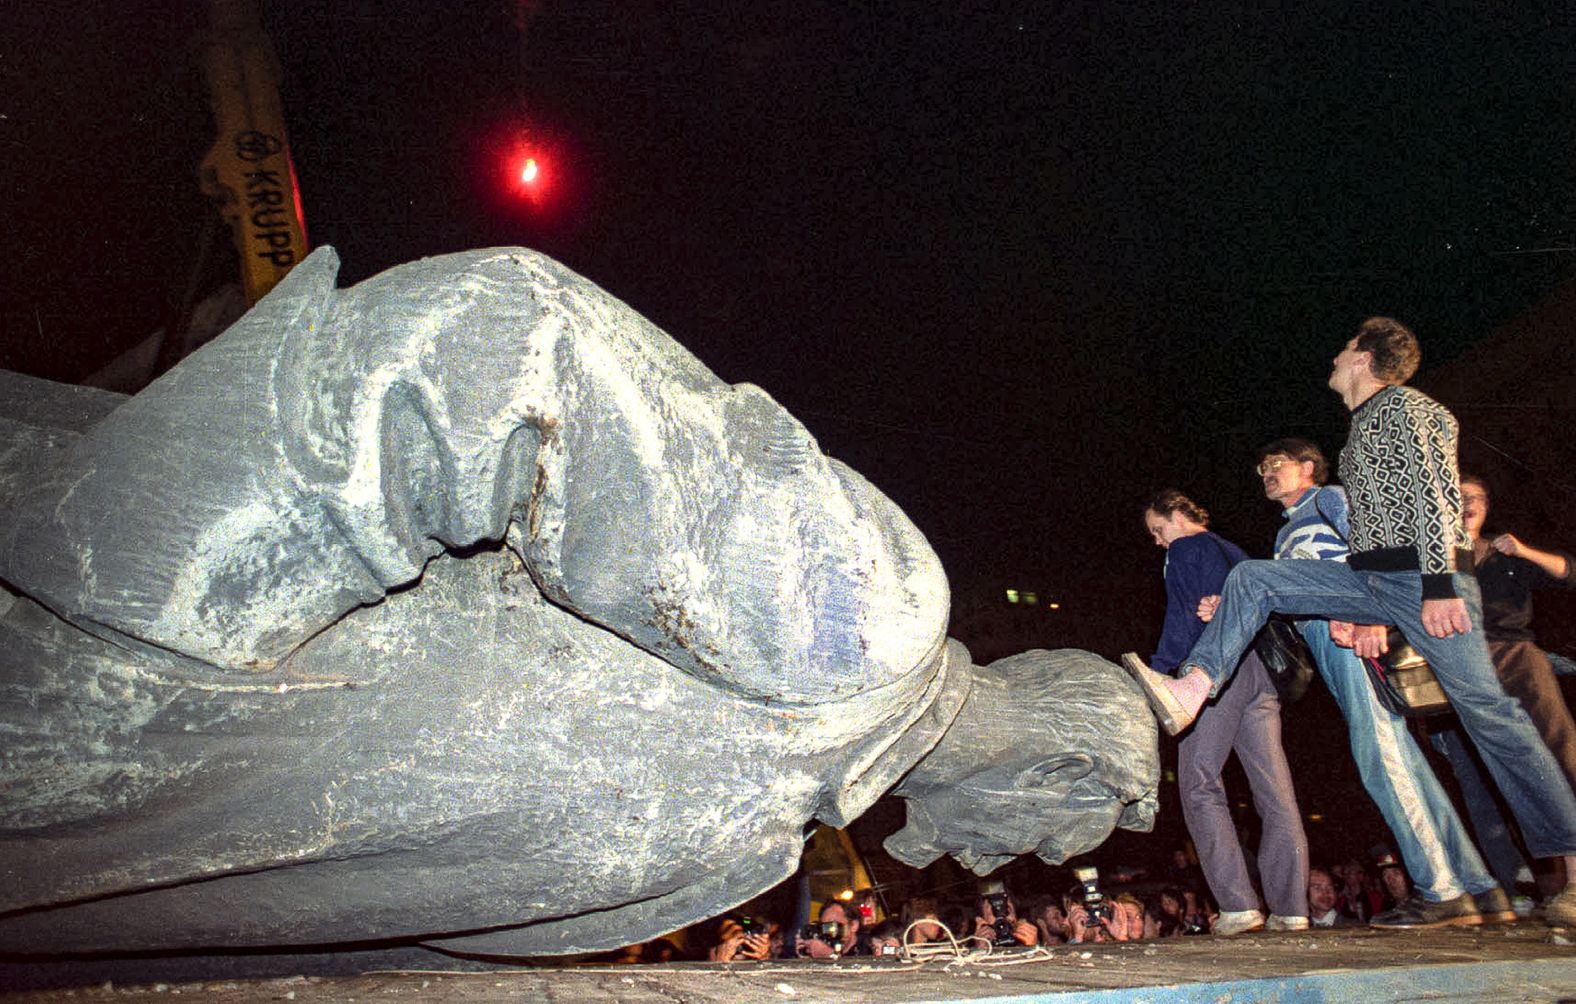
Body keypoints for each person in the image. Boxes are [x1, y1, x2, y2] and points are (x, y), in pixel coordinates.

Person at [1122, 316, 1576, 927]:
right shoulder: (1359, 430)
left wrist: (1439, 585)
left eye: (1343, 349)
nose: (1333, 359)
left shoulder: (1408, 408)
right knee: (1254, 578)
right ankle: (1192, 686)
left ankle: (1568, 866)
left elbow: (1439, 491)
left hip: (1424, 582)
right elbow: (1365, 533)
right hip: (1375, 583)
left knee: (1491, 716)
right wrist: (1352, 606)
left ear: (1363, 357)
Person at [1208, 438, 1511, 927]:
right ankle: (1478, 887)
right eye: (1261, 467)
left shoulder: (1329, 498)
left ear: (1308, 468)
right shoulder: (1287, 533)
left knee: (1381, 756)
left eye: (1276, 464)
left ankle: (1441, 888)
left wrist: (1375, 616)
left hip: (1355, 638)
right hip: (1331, 644)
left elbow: (1375, 550)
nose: (1266, 472)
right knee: (1403, 761)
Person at [1137, 489, 1309, 935]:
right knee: (1274, 792)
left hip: (1214, 673)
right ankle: (1291, 909)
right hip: (1260, 674)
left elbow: (1181, 617)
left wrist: (1157, 672)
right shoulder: (1232, 549)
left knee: (1198, 784)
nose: (1159, 541)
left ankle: (1238, 905)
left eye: (1159, 530)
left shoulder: (1185, 548)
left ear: (1177, 515)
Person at [1428, 474, 1576, 901]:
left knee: (1555, 749)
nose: (1467, 503)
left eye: (1476, 497)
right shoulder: (1438, 558)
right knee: (1479, 775)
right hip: (1461, 662)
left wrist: (1524, 550)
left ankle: (1570, 873)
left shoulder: (1504, 551)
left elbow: (1568, 572)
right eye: (1458, 497)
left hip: (1514, 654)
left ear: (1488, 505)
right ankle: (1518, 886)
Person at [794, 901, 862, 958]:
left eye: (832, 926)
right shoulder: (826, 941)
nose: (827, 932)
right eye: (824, 927)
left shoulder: (868, 947)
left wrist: (830, 955)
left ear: (854, 925)